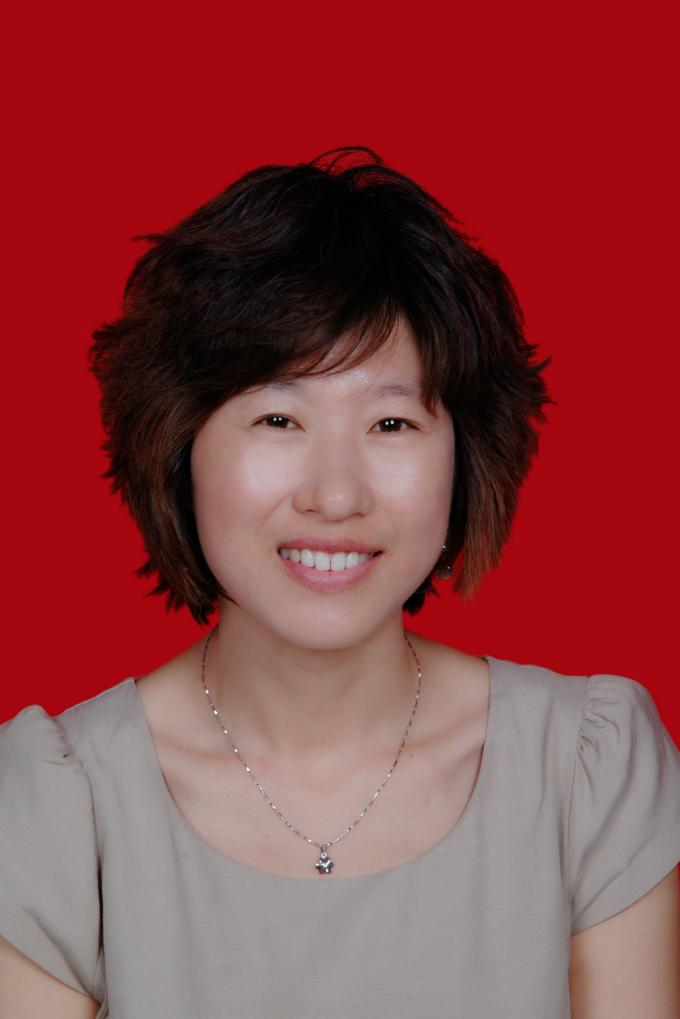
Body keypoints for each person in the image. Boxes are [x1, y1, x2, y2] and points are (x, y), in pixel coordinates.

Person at [0, 146, 678, 1018]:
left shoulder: (586, 774)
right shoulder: (62, 806)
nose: (335, 494)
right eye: (279, 418)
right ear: (180, 445)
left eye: (391, 423)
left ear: (464, 459)